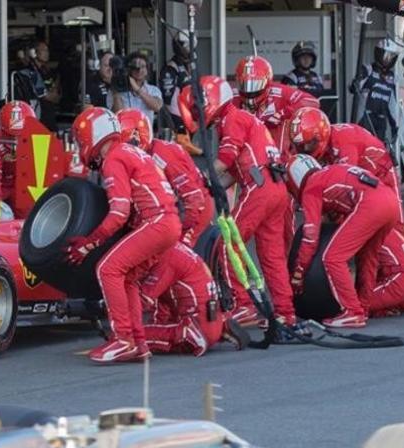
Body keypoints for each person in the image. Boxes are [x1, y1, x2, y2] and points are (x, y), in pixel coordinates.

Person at [177, 76, 296, 328]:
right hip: (276, 188)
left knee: (228, 243)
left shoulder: (232, 118)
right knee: (272, 256)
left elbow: (227, 159)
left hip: (259, 187)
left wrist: (200, 177)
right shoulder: (244, 118)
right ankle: (285, 312)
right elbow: (236, 169)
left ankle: (244, 305)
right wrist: (213, 186)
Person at [64, 107, 180, 363]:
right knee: (127, 278)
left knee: (107, 269)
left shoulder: (114, 158)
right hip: (169, 223)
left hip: (156, 222)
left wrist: (87, 244)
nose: (80, 144)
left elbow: (119, 212)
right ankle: (139, 342)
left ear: (92, 136)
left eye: (81, 139)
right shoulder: (131, 150)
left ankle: (123, 339)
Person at [286, 155, 402, 328]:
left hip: (370, 204)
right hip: (391, 201)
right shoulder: (330, 171)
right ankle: (363, 307)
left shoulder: (312, 186)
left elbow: (310, 237)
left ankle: (353, 312)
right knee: (368, 257)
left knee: (333, 258)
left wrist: (299, 273)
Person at [118, 108, 212, 247]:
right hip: (168, 212)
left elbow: (194, 199)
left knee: (171, 255)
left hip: (194, 209)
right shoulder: (135, 160)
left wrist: (178, 228)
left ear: (137, 136)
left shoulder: (164, 154)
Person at [140, 243, 243, 356]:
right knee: (171, 293)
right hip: (211, 315)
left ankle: (189, 333)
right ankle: (220, 326)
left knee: (132, 336)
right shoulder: (177, 247)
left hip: (196, 325)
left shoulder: (167, 260)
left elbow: (143, 300)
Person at [288, 107, 397, 190]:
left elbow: (346, 180)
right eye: (301, 146)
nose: (306, 149)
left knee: (394, 216)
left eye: (309, 143)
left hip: (382, 175)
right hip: (364, 178)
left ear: (320, 134)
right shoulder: (328, 142)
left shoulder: (343, 141)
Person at [232, 56, 319, 149]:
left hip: (278, 153)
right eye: (244, 84)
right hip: (245, 152)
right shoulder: (233, 97)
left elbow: (312, 102)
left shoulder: (279, 92)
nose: (249, 90)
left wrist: (283, 114)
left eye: (255, 84)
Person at [349, 39, 400, 144]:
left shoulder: (392, 77)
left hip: (381, 121)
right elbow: (353, 88)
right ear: (378, 54)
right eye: (385, 55)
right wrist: (356, 83)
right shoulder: (367, 70)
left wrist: (395, 125)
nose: (387, 59)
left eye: (390, 57)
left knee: (379, 149)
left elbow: (392, 103)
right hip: (364, 118)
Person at [0, 101, 34, 203]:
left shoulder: (39, 141)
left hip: (26, 188)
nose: (15, 139)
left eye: (20, 135)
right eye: (10, 135)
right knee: (1, 214)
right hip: (2, 187)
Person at [159, 31, 194, 129]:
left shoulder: (189, 66)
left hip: (189, 116)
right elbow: (168, 99)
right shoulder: (171, 68)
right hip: (177, 118)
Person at [121, 52, 164, 122]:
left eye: (143, 66)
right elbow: (117, 114)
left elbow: (157, 107)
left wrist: (138, 89)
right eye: (135, 67)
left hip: (145, 131)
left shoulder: (153, 90)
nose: (139, 70)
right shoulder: (120, 90)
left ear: (147, 70)